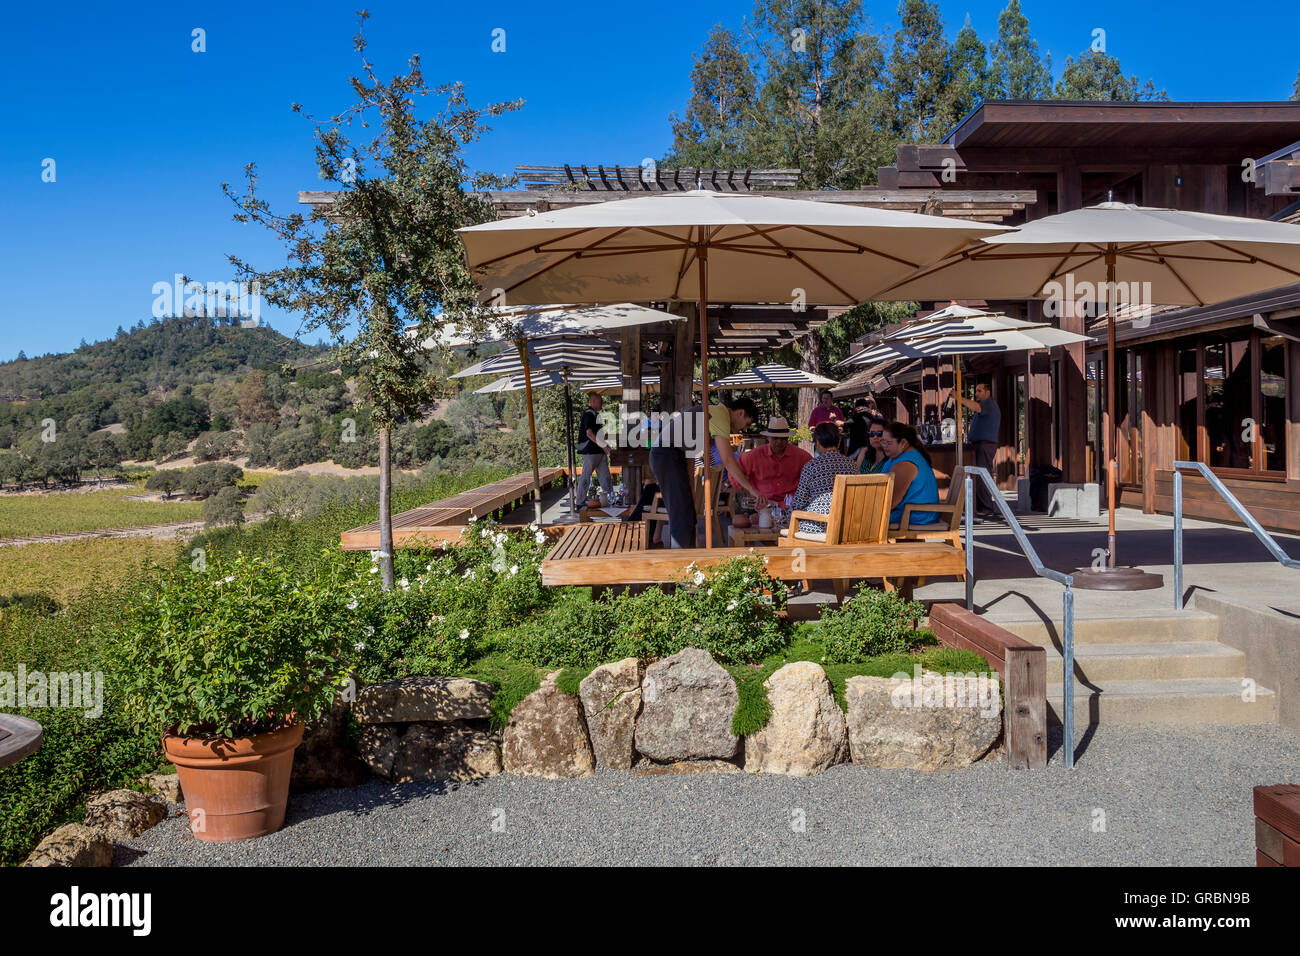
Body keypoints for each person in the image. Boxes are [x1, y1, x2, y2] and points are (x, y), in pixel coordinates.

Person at [649, 396, 766, 548]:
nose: (745, 429)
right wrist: (752, 490)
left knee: (688, 515)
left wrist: (691, 485)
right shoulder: (720, 415)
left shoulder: (712, 415)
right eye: (747, 424)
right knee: (681, 516)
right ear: (741, 413)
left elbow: (690, 453)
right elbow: (728, 461)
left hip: (671, 455)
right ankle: (679, 564)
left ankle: (687, 559)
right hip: (666, 455)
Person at [789, 423, 857, 535]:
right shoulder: (852, 465)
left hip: (818, 526)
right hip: (846, 526)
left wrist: (787, 515)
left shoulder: (811, 466)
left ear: (818, 443)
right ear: (839, 443)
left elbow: (799, 503)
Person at [879, 421, 940, 526]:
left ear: (903, 443)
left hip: (914, 516)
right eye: (883, 441)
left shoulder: (905, 464)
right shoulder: (898, 456)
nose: (884, 446)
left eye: (889, 443)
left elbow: (891, 502)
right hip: (912, 513)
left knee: (859, 518)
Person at [738, 416, 811, 504]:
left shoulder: (802, 456)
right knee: (741, 517)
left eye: (783, 438)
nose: (779, 441)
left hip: (791, 504)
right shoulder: (753, 456)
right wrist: (749, 491)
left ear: (788, 438)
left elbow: (814, 476)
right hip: (761, 504)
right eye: (775, 438)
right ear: (768, 437)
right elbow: (735, 474)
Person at [960, 381, 1001, 517]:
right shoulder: (985, 405)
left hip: (985, 444)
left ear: (987, 392)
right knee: (979, 475)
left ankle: (986, 507)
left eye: (979, 391)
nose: (976, 394)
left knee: (982, 475)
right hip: (979, 444)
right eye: (976, 391)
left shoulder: (988, 404)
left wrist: (959, 398)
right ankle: (980, 506)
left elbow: (976, 407)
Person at [574, 392, 613, 505]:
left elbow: (598, 434)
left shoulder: (597, 415)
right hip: (591, 451)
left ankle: (609, 500)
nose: (602, 404)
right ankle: (580, 502)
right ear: (593, 402)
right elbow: (589, 433)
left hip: (599, 451)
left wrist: (605, 445)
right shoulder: (589, 414)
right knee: (586, 477)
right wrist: (604, 445)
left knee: (605, 477)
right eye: (600, 401)